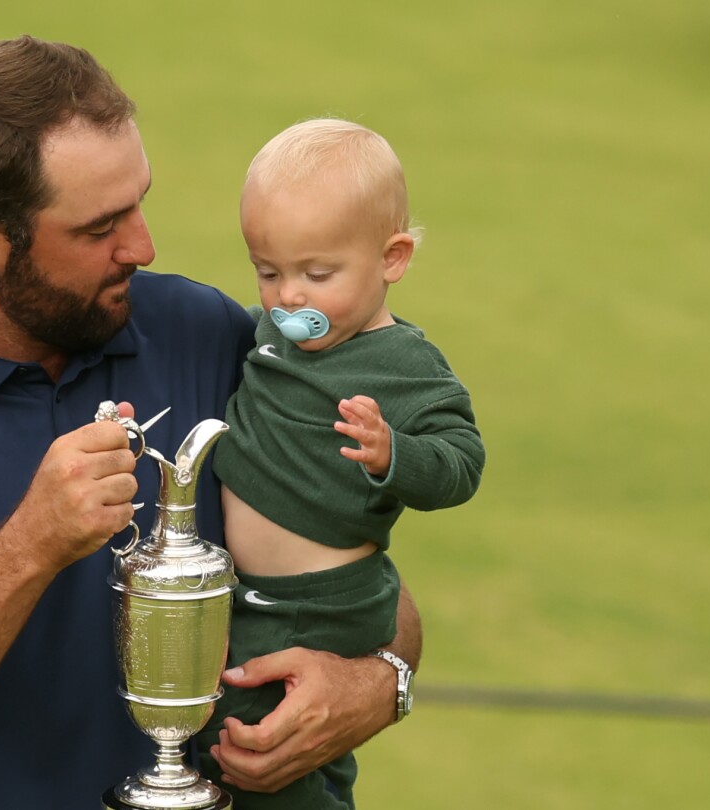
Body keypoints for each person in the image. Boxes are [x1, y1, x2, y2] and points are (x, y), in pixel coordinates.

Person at [0, 37, 421, 810]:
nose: (142, 246)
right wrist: (30, 544)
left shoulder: (208, 335)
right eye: (98, 227)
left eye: (139, 201)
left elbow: (372, 592)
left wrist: (377, 683)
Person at [194, 119, 486, 809]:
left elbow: (463, 463)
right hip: (249, 595)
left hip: (321, 609)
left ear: (393, 258)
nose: (290, 297)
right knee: (245, 746)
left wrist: (395, 454)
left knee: (252, 749)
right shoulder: (272, 335)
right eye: (269, 271)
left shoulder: (406, 368)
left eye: (317, 274)